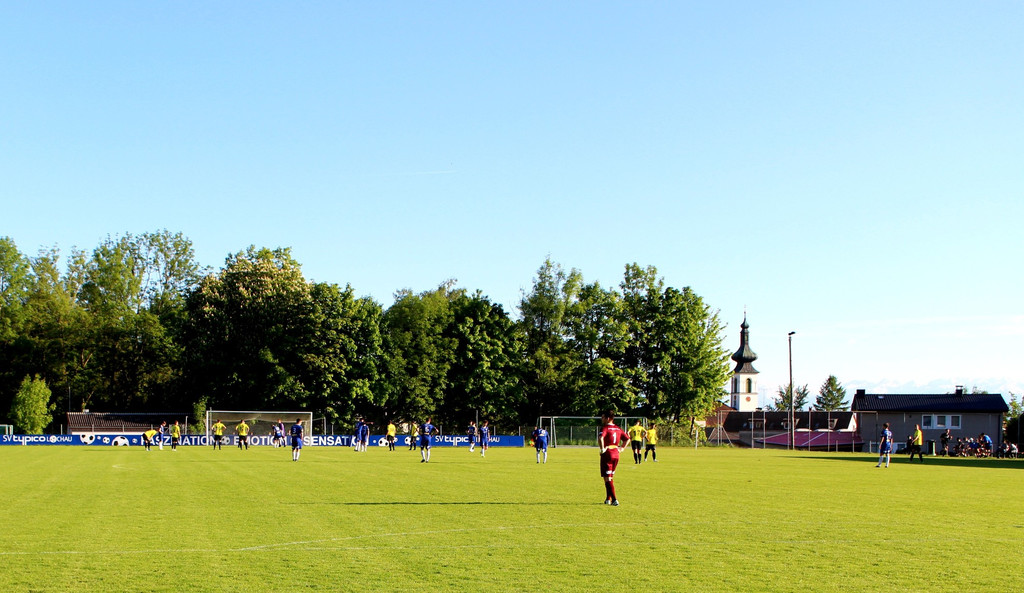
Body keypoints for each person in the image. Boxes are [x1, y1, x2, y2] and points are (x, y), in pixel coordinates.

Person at [598, 410, 629, 505]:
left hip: (608, 454)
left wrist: (602, 449)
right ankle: (608, 499)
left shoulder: (605, 428)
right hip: (616, 453)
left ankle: (615, 500)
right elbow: (627, 439)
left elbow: (600, 438)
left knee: (607, 478)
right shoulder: (618, 428)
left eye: (603, 417)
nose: (602, 419)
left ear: (608, 418)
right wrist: (622, 448)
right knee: (609, 477)